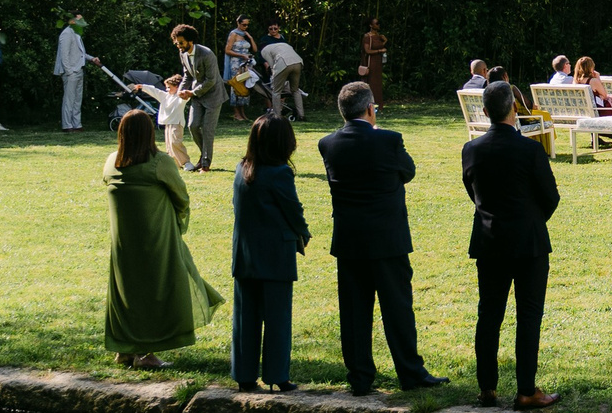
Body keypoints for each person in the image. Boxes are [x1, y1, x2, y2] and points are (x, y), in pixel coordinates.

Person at [318, 81, 446, 396]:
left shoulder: (328, 144)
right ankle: (410, 372)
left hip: (350, 239)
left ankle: (360, 376)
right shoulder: (388, 141)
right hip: (388, 238)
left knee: (354, 312)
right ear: (370, 109)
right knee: (397, 308)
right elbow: (409, 171)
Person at [464, 80, 562, 410]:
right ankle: (525, 390)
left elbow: (473, 193)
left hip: (489, 240)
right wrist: (532, 220)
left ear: (485, 112)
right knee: (528, 316)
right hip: (528, 243)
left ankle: (487, 388)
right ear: (514, 108)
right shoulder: (530, 149)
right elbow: (551, 196)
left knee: (488, 315)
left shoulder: (472, 149)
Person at [102, 108, 223, 371]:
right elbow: (181, 198)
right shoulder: (160, 163)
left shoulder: (111, 163)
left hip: (123, 243)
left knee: (127, 292)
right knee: (154, 290)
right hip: (155, 239)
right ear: (149, 134)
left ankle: (125, 349)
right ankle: (146, 352)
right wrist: (177, 223)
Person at [228, 115, 309, 394]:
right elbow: (293, 210)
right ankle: (277, 375)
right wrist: (304, 233)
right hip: (275, 254)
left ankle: (244, 375)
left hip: (245, 254)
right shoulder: (280, 173)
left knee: (245, 318)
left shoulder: (242, 169)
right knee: (277, 318)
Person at [171, 23, 228, 171]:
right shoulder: (182, 53)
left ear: (190, 41)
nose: (179, 46)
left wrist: (192, 93)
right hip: (197, 96)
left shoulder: (207, 54)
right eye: (176, 43)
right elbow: (187, 75)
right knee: (193, 125)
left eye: (181, 43)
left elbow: (211, 80)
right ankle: (204, 156)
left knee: (208, 130)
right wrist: (181, 91)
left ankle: (205, 164)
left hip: (214, 95)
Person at [54, 15, 97, 132]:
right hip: (71, 71)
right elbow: (64, 55)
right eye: (79, 19)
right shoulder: (66, 33)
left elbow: (81, 53)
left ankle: (76, 124)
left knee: (77, 99)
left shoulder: (77, 33)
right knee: (69, 99)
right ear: (72, 20)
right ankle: (67, 125)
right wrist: (69, 71)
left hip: (79, 69)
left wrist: (92, 59)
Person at [259, 26, 305, 120]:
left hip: (284, 63)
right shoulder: (284, 44)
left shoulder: (264, 50)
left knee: (276, 91)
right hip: (298, 62)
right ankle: (301, 115)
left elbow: (272, 67)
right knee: (295, 90)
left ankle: (277, 116)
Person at [157, 73, 193, 170]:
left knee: (175, 142)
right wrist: (142, 87)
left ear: (177, 87)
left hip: (177, 123)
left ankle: (186, 162)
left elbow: (186, 97)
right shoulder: (166, 96)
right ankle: (175, 164)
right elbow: (154, 91)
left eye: (169, 87)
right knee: (169, 145)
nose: (167, 90)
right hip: (168, 123)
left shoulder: (180, 97)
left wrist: (184, 94)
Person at [223, 17, 257, 118]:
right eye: (243, 25)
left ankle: (242, 112)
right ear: (238, 23)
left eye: (247, 25)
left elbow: (255, 49)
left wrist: (250, 38)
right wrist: (241, 55)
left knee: (245, 85)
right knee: (236, 85)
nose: (245, 27)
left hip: (245, 64)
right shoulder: (233, 34)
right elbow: (227, 50)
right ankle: (236, 113)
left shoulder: (245, 35)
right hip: (236, 63)